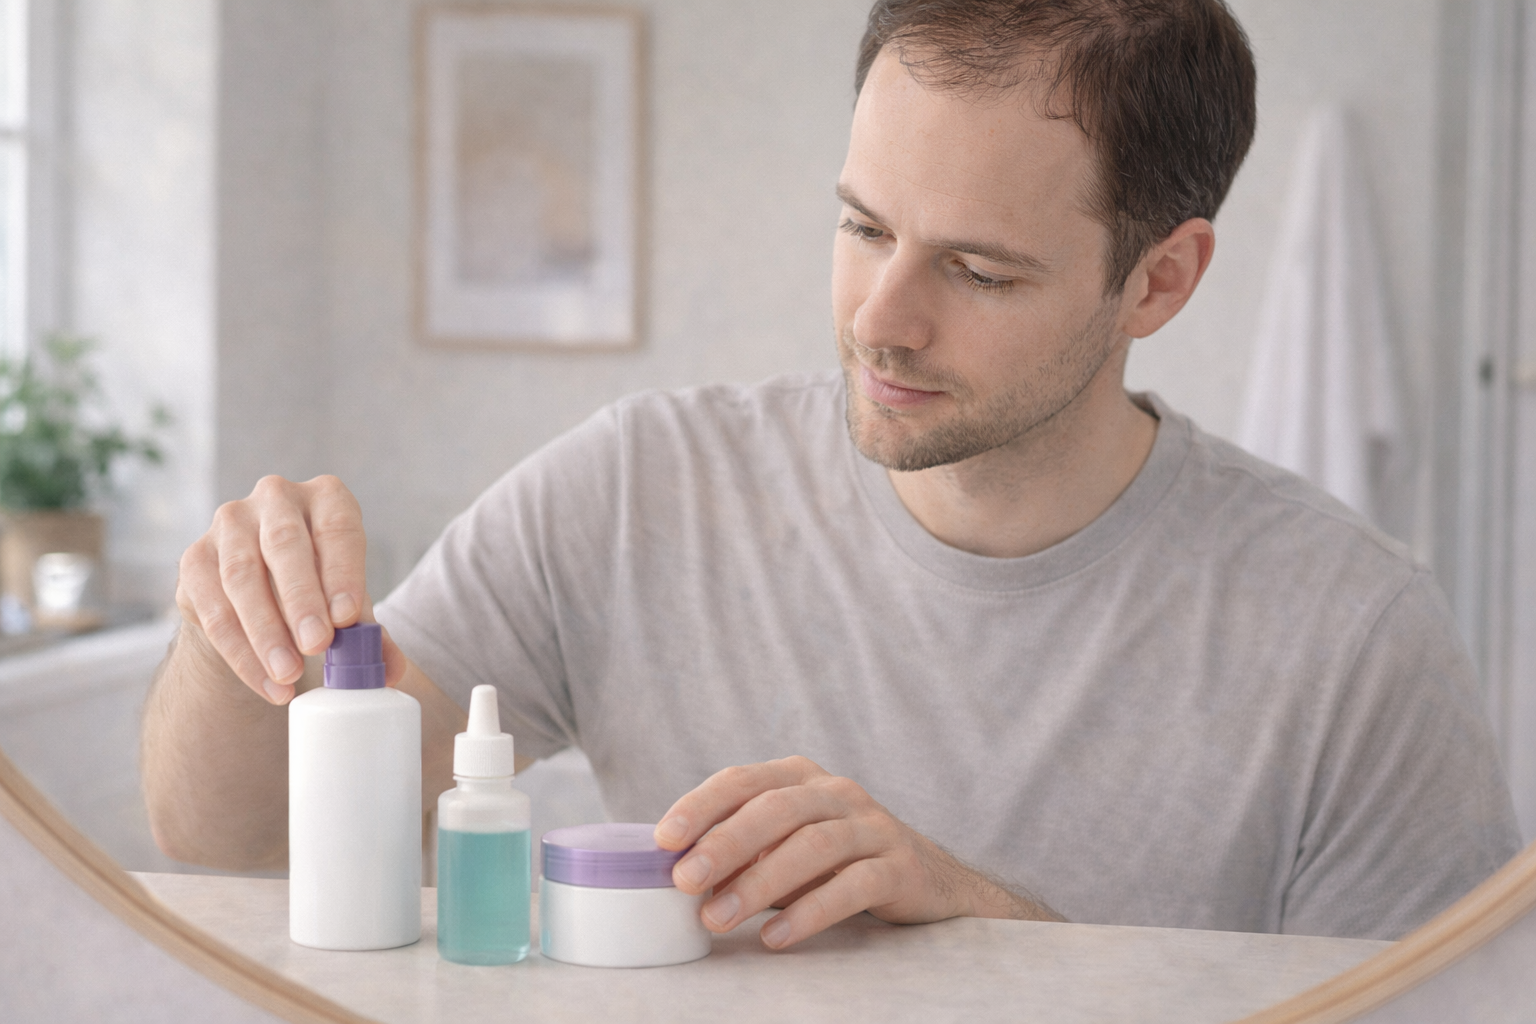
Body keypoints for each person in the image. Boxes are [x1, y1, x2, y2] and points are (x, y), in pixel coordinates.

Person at [142, 0, 1521, 949]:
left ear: (1159, 279)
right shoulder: (638, 491)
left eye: (976, 269)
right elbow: (237, 844)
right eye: (863, 227)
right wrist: (230, 634)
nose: (880, 318)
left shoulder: (1351, 639)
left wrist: (991, 942)